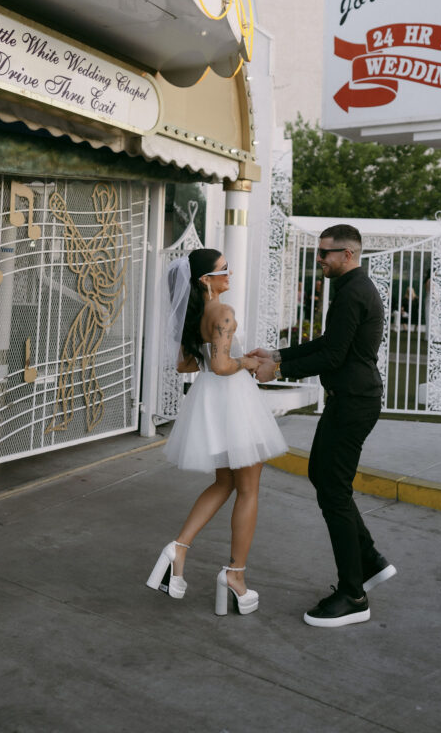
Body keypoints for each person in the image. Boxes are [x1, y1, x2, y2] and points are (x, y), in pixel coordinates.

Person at [251, 224, 395, 628]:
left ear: (347, 254)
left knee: (332, 491)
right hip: (350, 400)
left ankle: (353, 594)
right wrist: (278, 353)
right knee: (324, 477)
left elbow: (332, 356)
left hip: (353, 402)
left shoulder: (353, 293)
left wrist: (277, 370)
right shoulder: (351, 289)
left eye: (325, 254)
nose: (320, 260)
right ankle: (368, 560)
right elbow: (327, 343)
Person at [147, 248, 287, 617]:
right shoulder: (223, 313)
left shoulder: (193, 316)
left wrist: (222, 358)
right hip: (235, 402)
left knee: (224, 483)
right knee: (248, 489)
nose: (231, 275)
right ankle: (235, 576)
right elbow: (224, 364)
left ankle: (178, 549)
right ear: (205, 280)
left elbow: (184, 364)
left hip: (212, 402)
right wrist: (251, 362)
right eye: (224, 270)